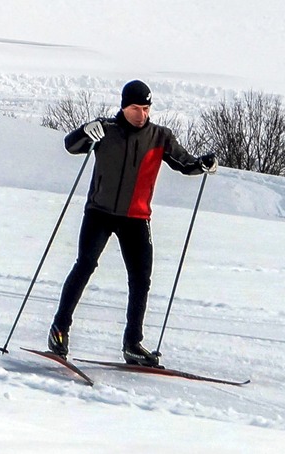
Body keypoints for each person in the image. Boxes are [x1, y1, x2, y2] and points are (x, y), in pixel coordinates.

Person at [48, 79, 216, 365]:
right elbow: (71, 145)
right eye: (136, 108)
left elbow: (184, 163)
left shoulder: (160, 137)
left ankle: (132, 344)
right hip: (99, 212)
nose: (142, 114)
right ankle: (59, 330)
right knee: (85, 265)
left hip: (136, 218)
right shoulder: (105, 130)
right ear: (124, 107)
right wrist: (85, 131)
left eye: (146, 108)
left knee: (141, 280)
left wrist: (203, 164)